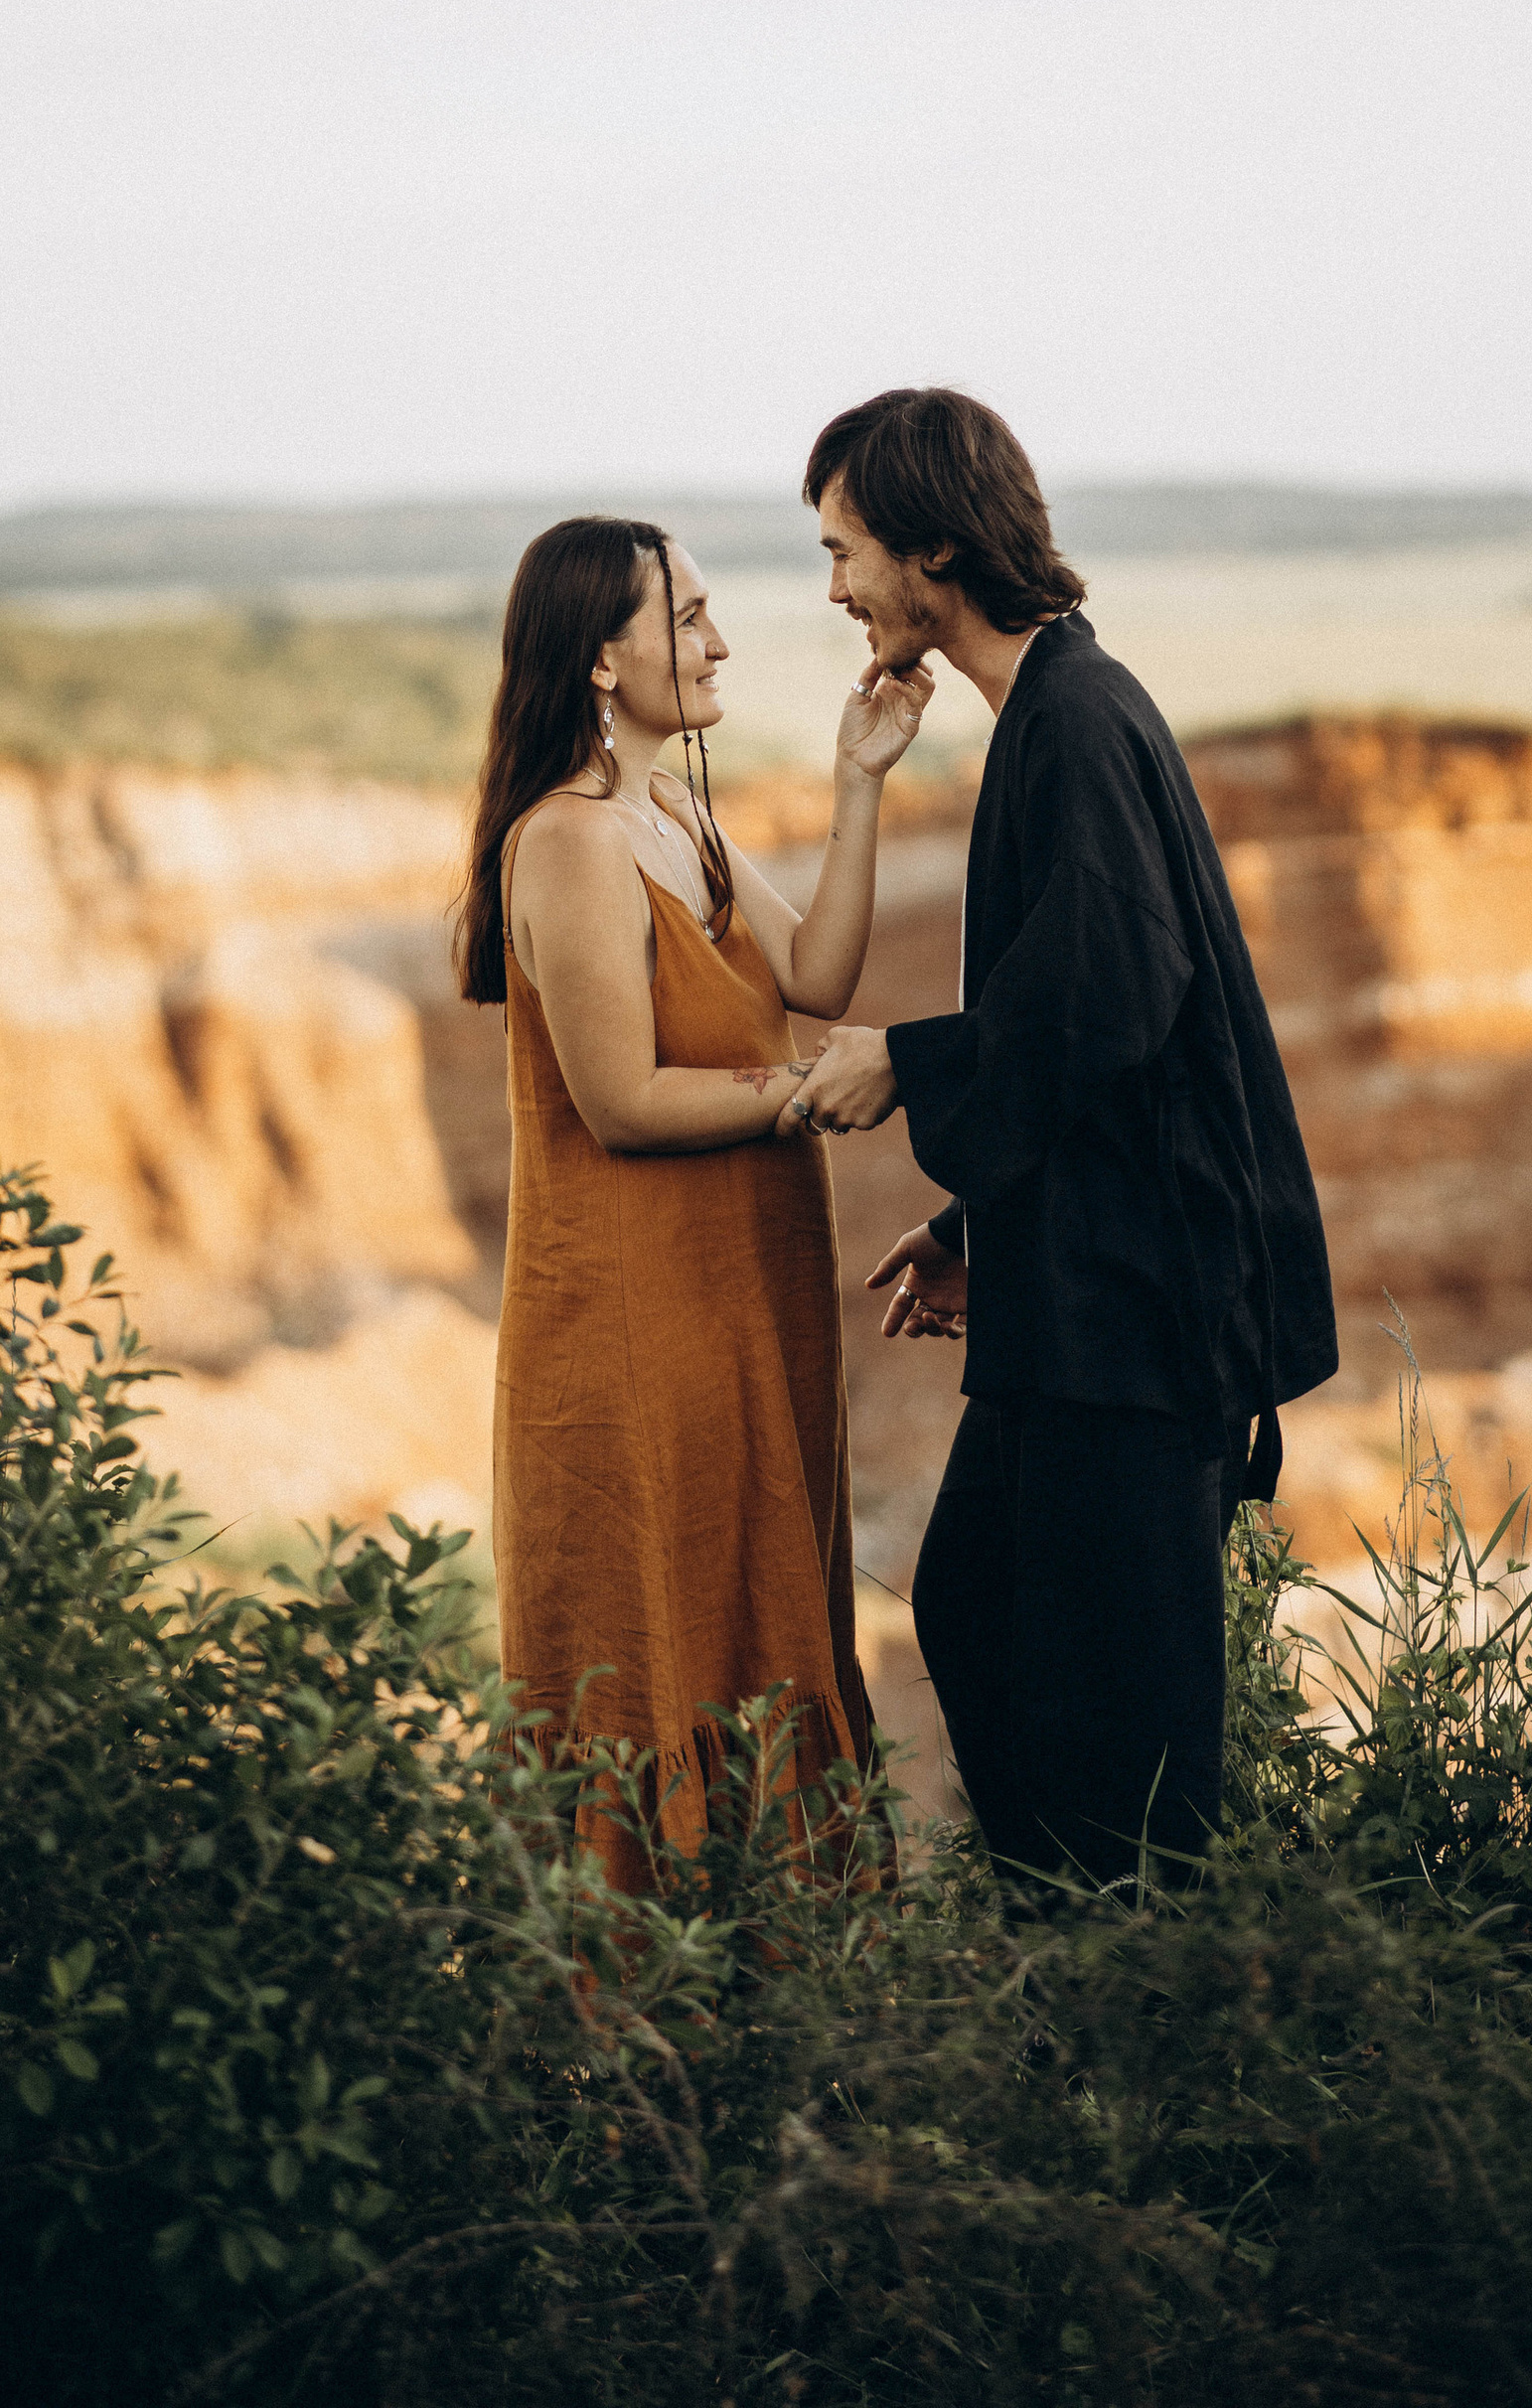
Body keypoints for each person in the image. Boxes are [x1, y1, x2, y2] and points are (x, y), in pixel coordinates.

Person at [795, 388, 1338, 1898]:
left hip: (1145, 1309)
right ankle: (1082, 1960)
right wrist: (976, 1229)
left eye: (847, 551)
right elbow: (1091, 1024)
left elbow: (1110, 989)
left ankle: (1154, 2010)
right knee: (978, 1608)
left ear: (938, 547)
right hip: (1082, 1292)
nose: (833, 587)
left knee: (1130, 1717)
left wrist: (904, 1065)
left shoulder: (1078, 719)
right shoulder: (1049, 712)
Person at [457, 512, 932, 1885]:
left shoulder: (673, 811)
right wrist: (810, 1092)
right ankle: (651, 2051)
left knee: (761, 1622)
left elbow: (822, 976)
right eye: (688, 618)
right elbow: (622, 1100)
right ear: (600, 662)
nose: (719, 640)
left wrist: (860, 784)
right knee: (663, 1644)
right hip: (638, 1325)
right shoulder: (568, 844)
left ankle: (780, 2019)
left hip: (743, 1305)